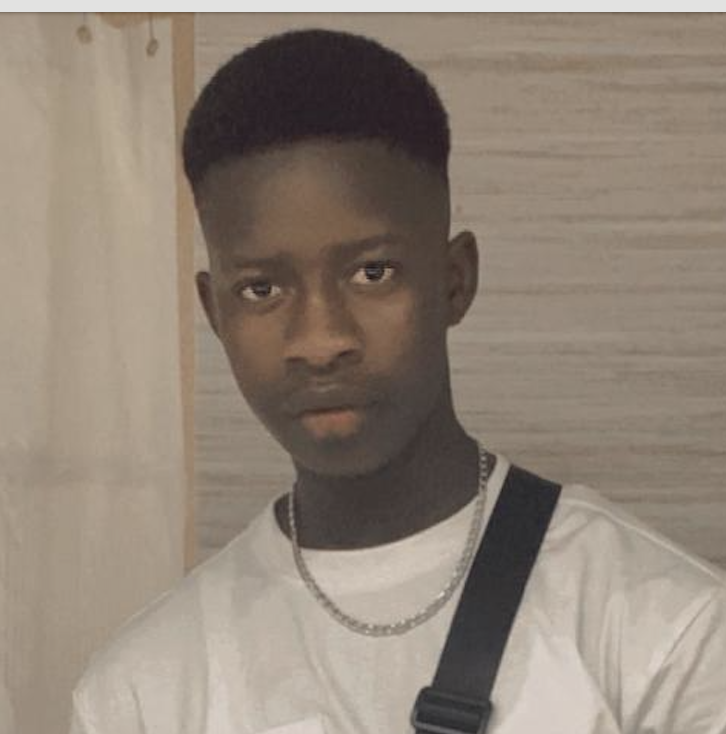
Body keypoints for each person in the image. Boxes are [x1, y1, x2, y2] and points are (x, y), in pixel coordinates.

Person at [69, 28, 726, 734]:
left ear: (454, 281)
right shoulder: (137, 696)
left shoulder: (666, 634)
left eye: (371, 272)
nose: (321, 341)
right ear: (215, 312)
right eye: (261, 289)